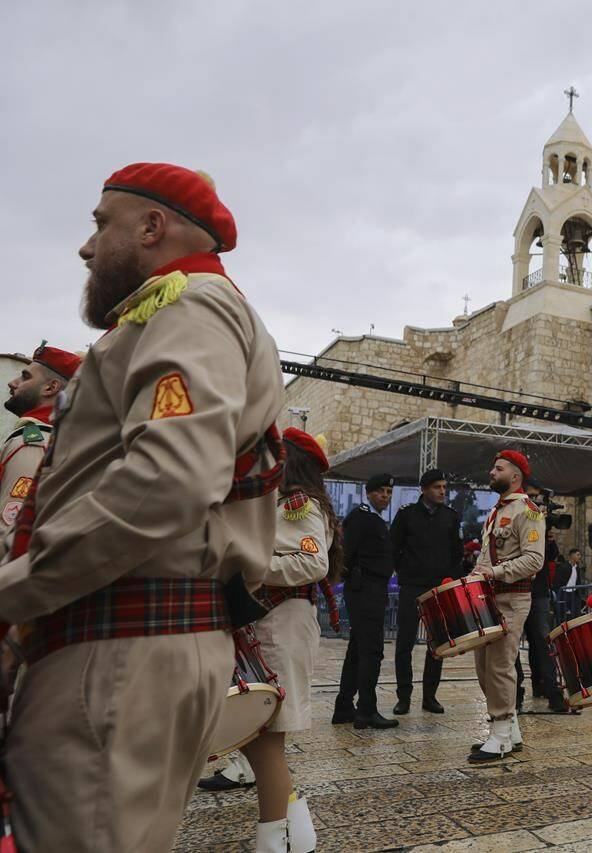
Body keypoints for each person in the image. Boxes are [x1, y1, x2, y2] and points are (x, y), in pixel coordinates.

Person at [0, 163, 284, 851]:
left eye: (102, 224)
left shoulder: (190, 303)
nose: (86, 247)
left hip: (120, 643)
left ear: (152, 226)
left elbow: (169, 480)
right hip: (113, 636)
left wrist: (14, 594)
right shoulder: (165, 312)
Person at [239, 428, 338, 853]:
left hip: (283, 622)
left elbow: (313, 561)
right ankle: (296, 832)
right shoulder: (276, 503)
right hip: (269, 621)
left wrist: (250, 566)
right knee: (256, 738)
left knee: (266, 736)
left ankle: (274, 841)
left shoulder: (299, 505)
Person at [468, 450, 545, 761]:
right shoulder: (496, 512)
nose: (491, 472)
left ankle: (500, 734)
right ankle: (510, 729)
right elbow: (486, 558)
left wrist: (495, 573)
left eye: (498, 468)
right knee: (484, 666)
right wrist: (470, 579)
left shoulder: (528, 511)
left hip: (512, 597)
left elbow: (534, 559)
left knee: (500, 664)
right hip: (488, 597)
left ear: (515, 476)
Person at [390, 468, 462, 715]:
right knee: (404, 644)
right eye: (437, 487)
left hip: (439, 588)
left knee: (438, 645)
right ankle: (404, 697)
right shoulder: (407, 516)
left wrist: (450, 579)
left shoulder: (451, 517)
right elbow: (394, 548)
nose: (442, 491)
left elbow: (457, 553)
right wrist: (404, 572)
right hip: (412, 586)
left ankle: (430, 696)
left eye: (444, 487)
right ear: (424, 489)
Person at [333, 473, 398, 729]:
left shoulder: (373, 519)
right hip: (365, 590)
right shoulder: (361, 518)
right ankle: (366, 711)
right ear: (368, 493)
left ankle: (344, 707)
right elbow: (345, 554)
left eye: (389, 492)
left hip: (370, 589)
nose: (385, 496)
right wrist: (356, 581)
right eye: (380, 491)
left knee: (358, 650)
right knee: (372, 651)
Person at [0, 344, 80, 535]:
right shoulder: (48, 437)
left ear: (50, 387)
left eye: (25, 377)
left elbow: (8, 529)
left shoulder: (32, 443)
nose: (13, 383)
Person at [514, 483, 568, 713]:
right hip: (516, 589)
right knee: (512, 646)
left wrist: (548, 536)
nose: (535, 501)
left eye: (538, 497)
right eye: (531, 496)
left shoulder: (542, 521)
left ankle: (551, 692)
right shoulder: (516, 515)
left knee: (543, 643)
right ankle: (515, 695)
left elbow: (551, 557)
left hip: (539, 591)